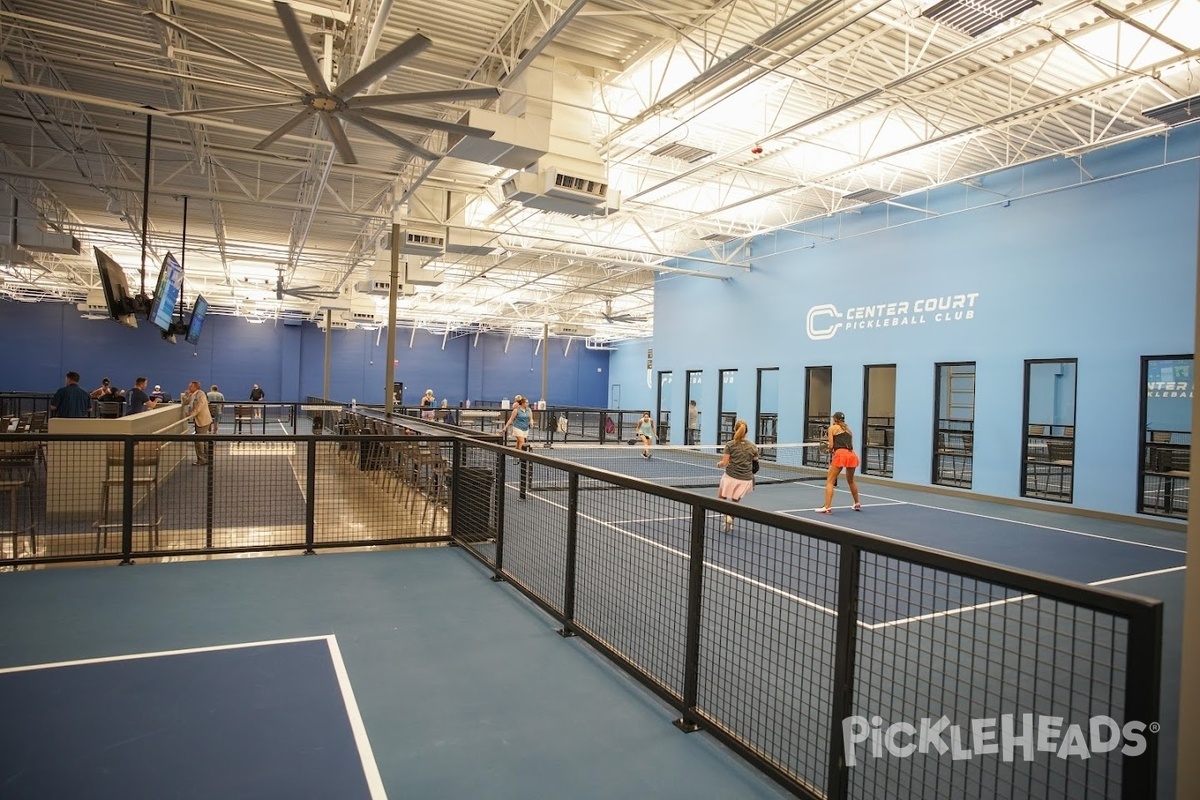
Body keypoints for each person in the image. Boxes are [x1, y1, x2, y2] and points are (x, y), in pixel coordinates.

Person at [716, 418, 759, 532]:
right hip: (745, 480)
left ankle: (727, 517)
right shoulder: (753, 447)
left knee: (720, 499)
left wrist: (718, 464)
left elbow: (724, 463)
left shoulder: (730, 445)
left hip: (730, 477)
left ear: (735, 430)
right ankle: (730, 519)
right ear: (746, 431)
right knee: (735, 502)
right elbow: (756, 463)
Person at [818, 411, 862, 514]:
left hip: (841, 455)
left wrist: (829, 450)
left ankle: (827, 507)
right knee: (851, 480)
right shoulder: (849, 430)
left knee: (830, 481)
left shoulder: (832, 428)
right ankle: (857, 503)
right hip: (851, 455)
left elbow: (831, 445)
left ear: (834, 419)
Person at [184, 380, 213, 465]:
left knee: (199, 440)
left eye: (191, 386)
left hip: (203, 420)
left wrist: (191, 414)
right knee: (202, 440)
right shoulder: (192, 394)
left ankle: (202, 459)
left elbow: (200, 406)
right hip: (199, 420)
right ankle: (205, 458)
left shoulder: (201, 394)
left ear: (196, 387)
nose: (189, 387)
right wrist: (186, 395)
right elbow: (186, 402)